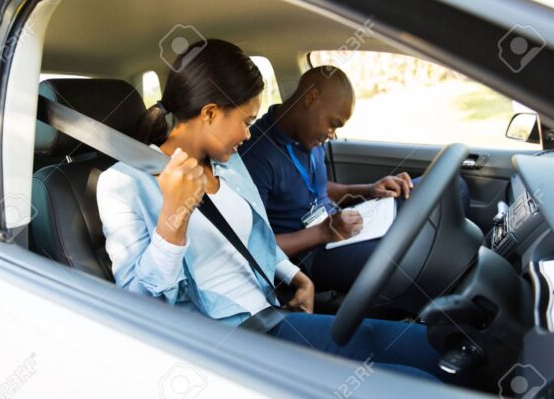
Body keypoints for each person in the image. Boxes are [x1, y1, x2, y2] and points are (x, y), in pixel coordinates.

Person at [96, 39, 444, 381]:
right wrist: (174, 216)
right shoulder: (124, 184)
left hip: (273, 316)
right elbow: (139, 305)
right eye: (246, 121)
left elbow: (254, 240)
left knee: (434, 348)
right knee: (419, 385)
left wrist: (297, 277)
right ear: (210, 114)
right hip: (228, 345)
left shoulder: (228, 166)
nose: (249, 134)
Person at [239, 66, 471, 293]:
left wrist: (369, 190)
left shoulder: (308, 135)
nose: (332, 135)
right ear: (311, 99)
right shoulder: (256, 155)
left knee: (452, 188)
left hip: (337, 226)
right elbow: (256, 246)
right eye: (333, 124)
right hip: (310, 255)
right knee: (405, 259)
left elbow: (315, 188)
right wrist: (323, 232)